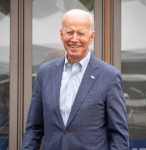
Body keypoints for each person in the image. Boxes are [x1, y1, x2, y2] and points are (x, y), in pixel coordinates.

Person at [22, 9, 129, 150]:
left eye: (81, 33)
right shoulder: (45, 72)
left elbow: (119, 137)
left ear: (91, 37)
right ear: (61, 35)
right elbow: (34, 129)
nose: (74, 39)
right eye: (69, 32)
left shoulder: (109, 76)